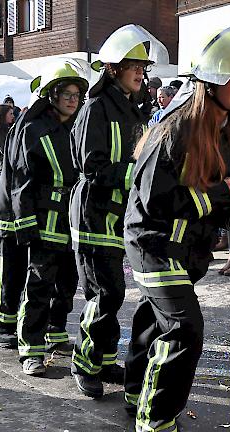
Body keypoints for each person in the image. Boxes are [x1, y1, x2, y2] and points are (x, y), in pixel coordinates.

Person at [123, 24, 230, 430]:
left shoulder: (229, 132)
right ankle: (155, 419)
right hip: (153, 244)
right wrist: (217, 203)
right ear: (210, 82)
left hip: (188, 248)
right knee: (184, 328)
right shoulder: (176, 129)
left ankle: (134, 392)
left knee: (155, 320)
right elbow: (153, 198)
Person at [70, 24, 168, 398]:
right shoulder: (97, 108)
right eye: (135, 67)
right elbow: (92, 166)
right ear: (113, 68)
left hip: (117, 216)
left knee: (113, 293)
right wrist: (140, 176)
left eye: (143, 68)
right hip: (94, 215)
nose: (142, 74)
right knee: (104, 295)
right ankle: (85, 363)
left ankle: (104, 359)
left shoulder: (130, 109)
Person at [8, 60, 88, 373]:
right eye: (65, 93)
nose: (72, 99)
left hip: (73, 221)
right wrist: (25, 224)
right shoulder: (33, 129)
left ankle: (56, 332)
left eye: (76, 94)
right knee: (39, 286)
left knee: (67, 283)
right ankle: (30, 350)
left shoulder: (80, 127)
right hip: (44, 221)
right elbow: (21, 182)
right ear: (52, 96)